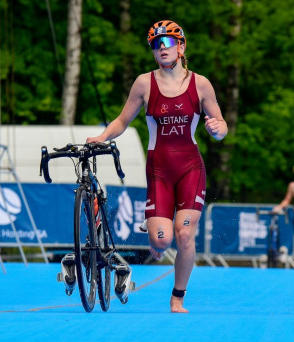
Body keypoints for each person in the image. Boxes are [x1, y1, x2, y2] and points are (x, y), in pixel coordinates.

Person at [86, 20, 227, 313]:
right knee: (161, 243)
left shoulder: (200, 84)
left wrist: (217, 129)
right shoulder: (143, 83)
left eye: (167, 43)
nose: (161, 49)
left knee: (185, 234)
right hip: (159, 170)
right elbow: (122, 120)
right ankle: (155, 230)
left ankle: (178, 297)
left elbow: (221, 125)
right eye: (155, 44)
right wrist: (102, 136)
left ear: (181, 46)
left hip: (190, 167)